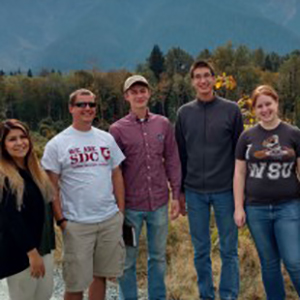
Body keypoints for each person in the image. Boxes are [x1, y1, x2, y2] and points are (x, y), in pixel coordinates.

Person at [41, 89, 126, 300]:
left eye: (91, 104)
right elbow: (52, 187)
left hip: (108, 219)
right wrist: (61, 220)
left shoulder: (106, 138)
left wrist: (120, 212)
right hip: (77, 224)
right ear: (71, 108)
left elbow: (116, 174)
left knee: (101, 276)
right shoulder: (58, 144)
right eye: (81, 105)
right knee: (75, 282)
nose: (87, 108)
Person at [175, 60, 243, 300]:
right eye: (197, 77)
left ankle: (229, 296)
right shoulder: (184, 113)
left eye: (207, 76)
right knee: (201, 250)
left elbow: (240, 155)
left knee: (229, 250)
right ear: (192, 81)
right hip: (194, 192)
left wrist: (240, 196)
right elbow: (180, 155)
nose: (202, 81)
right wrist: (180, 193)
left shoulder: (231, 110)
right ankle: (206, 295)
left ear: (214, 79)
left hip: (226, 190)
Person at [109, 75, 181, 300]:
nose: (139, 95)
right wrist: (116, 207)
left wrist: (176, 195)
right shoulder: (117, 130)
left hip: (159, 203)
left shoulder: (163, 124)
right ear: (127, 96)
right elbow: (114, 171)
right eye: (134, 92)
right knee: (127, 260)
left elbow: (172, 159)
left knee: (158, 257)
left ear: (149, 93)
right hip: (130, 208)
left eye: (143, 91)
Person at [234, 85, 300, 300]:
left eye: (268, 104)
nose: (265, 109)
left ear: (276, 103)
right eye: (259, 106)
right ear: (254, 110)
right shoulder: (247, 137)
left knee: (293, 261)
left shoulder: (293, 134)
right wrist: (238, 207)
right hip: (256, 209)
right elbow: (240, 173)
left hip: (288, 207)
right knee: (269, 263)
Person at [0, 119, 55, 300]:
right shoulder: (4, 176)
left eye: (23, 137)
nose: (19, 143)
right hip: (21, 253)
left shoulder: (34, 171)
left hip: (43, 247)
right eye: (12, 139)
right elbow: (10, 219)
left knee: (44, 295)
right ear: (3, 145)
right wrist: (32, 253)